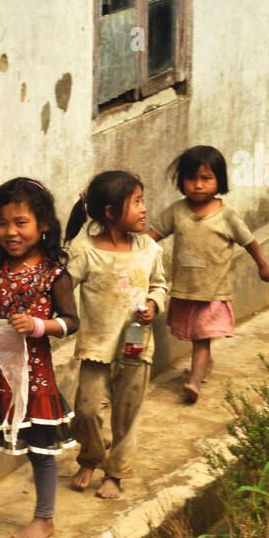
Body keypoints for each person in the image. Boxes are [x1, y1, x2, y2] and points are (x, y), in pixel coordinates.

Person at [0, 178, 79, 538]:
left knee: (40, 452)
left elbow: (71, 322)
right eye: (3, 223)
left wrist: (38, 325)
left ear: (43, 227)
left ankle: (44, 519)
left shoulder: (54, 275)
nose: (10, 232)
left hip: (34, 382)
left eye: (21, 222)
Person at [64, 171, 168, 500]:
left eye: (142, 201)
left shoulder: (149, 248)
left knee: (127, 413)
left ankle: (116, 473)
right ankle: (92, 456)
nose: (144, 209)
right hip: (96, 346)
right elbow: (63, 288)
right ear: (109, 212)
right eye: (136, 202)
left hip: (137, 348)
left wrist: (153, 303)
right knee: (88, 410)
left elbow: (160, 285)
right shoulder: (84, 251)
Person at [145, 146, 269, 403]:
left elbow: (248, 241)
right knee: (194, 335)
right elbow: (153, 236)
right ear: (182, 182)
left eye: (206, 178)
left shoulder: (226, 215)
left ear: (219, 181)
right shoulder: (177, 211)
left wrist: (262, 264)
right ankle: (206, 364)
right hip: (185, 289)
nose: (198, 185)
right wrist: (128, 252)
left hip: (212, 292)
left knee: (202, 339)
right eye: (192, 179)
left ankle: (193, 382)